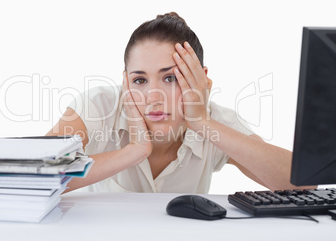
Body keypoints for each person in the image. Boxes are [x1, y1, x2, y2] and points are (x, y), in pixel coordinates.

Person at [47, 12, 313, 193]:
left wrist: (201, 122)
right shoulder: (98, 107)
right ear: (126, 82)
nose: (154, 96)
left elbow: (302, 184)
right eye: (140, 81)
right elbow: (36, 175)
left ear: (200, 80)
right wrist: (134, 151)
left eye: (171, 78)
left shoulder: (215, 121)